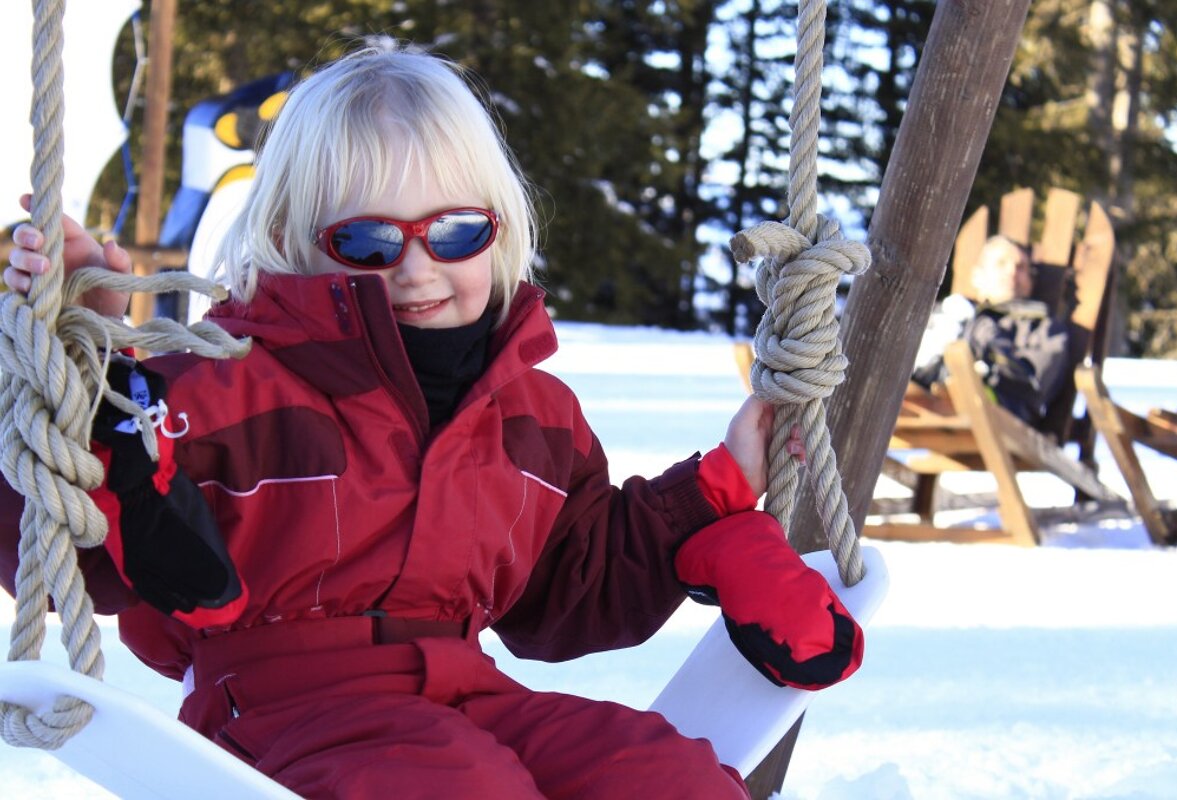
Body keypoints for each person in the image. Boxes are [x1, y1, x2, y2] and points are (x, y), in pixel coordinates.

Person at [2, 43, 863, 799]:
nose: (416, 269)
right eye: (369, 244)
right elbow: (78, 564)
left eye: (453, 233)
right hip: (276, 707)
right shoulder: (224, 384)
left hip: (467, 691)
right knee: (458, 785)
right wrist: (94, 383)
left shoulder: (533, 413)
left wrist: (713, 498)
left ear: (497, 228)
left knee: (661, 776)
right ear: (296, 240)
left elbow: (569, 590)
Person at [911, 235, 1070, 424]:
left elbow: (1035, 385)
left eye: (1021, 267)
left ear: (1030, 281)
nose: (1012, 272)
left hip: (1000, 412)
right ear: (977, 276)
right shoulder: (953, 313)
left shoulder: (1043, 326)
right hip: (924, 398)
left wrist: (991, 345)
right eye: (1001, 263)